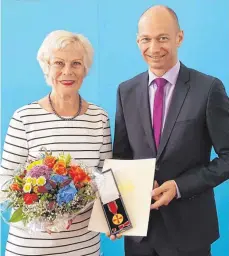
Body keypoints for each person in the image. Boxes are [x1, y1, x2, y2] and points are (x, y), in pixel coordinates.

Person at [112, 5, 229, 256]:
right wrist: (116, 217)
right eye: (146, 39)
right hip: (138, 237)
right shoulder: (126, 91)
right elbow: (120, 161)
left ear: (179, 37)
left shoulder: (208, 88)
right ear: (137, 41)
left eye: (162, 38)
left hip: (189, 233)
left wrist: (179, 186)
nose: (154, 48)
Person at [0, 30, 112, 256]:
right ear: (46, 67)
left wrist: (115, 221)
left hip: (84, 249)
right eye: (58, 63)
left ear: (85, 69)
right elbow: (4, 188)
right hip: (31, 249)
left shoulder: (99, 118)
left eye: (76, 63)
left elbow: (107, 181)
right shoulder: (24, 117)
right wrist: (43, 220)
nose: (67, 71)